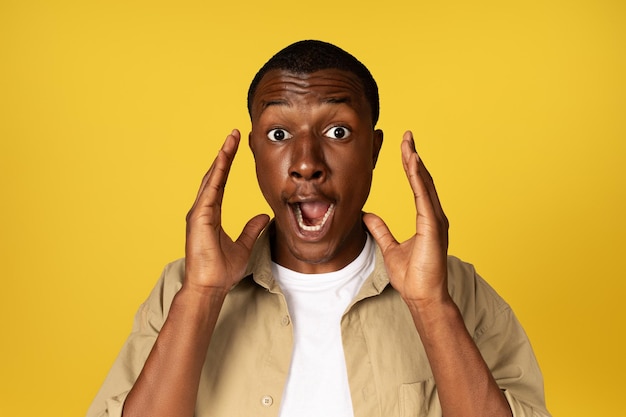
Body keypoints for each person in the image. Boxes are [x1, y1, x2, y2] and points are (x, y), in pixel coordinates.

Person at [87, 40, 551, 417]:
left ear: (373, 150)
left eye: (337, 132)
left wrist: (431, 306)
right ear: (253, 153)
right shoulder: (181, 289)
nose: (306, 163)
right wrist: (202, 295)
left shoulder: (459, 292)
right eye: (278, 135)